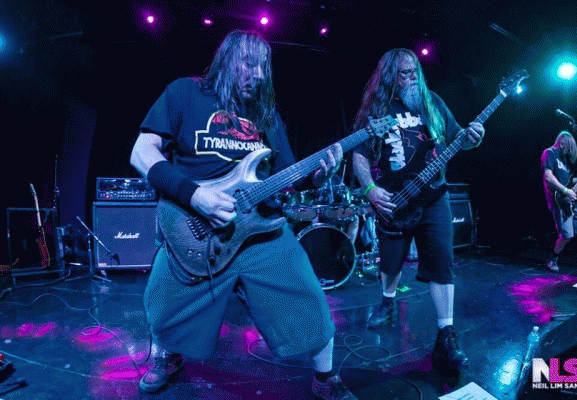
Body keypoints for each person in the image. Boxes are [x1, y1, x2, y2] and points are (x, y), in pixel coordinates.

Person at [130, 30, 357, 400]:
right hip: (195, 224)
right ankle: (168, 357)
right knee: (166, 303)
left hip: (259, 230)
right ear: (226, 59)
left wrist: (318, 175)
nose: (259, 74)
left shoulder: (267, 116)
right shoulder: (185, 92)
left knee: (309, 297)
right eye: (250, 63)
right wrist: (195, 196)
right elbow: (142, 152)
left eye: (264, 67)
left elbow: (289, 176)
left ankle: (326, 376)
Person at [351, 48, 484, 372]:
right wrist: (370, 189)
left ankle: (446, 334)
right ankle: (387, 301)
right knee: (391, 261)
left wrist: (473, 138)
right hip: (395, 198)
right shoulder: (377, 108)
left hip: (434, 195)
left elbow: (458, 137)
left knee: (442, 263)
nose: (412, 78)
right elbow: (359, 153)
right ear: (389, 77)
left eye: (415, 72)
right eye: (404, 73)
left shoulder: (432, 102)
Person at [541, 131, 577, 272]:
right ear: (562, 143)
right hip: (559, 200)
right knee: (567, 235)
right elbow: (548, 177)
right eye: (568, 148)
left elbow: (569, 182)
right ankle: (552, 259)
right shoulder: (549, 153)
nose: (569, 152)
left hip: (570, 200)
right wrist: (565, 191)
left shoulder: (564, 160)